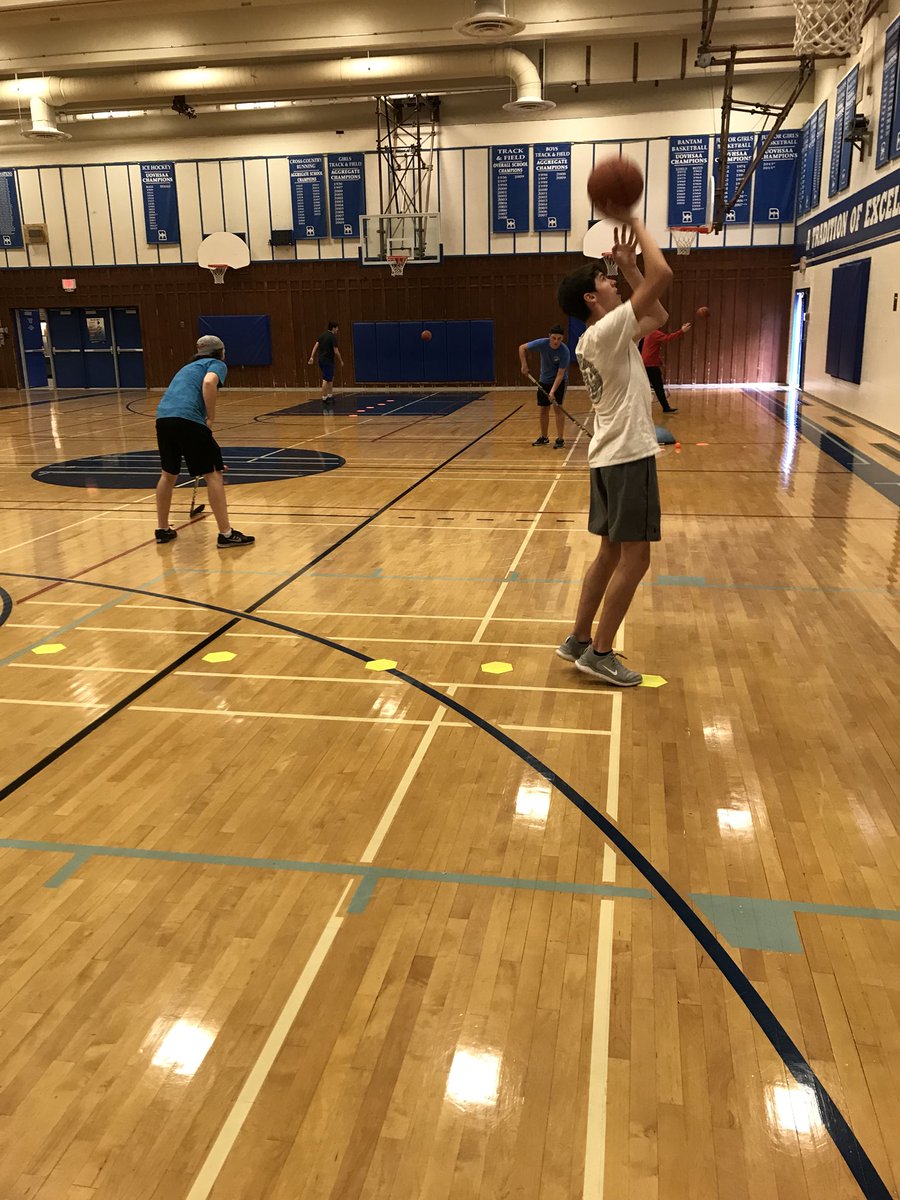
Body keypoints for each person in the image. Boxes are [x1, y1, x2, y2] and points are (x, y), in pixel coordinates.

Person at [554, 218, 672, 686]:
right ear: (591, 296)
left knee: (609, 554)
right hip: (626, 455)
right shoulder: (605, 332)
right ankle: (600, 653)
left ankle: (579, 639)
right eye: (606, 280)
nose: (613, 282)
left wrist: (628, 268)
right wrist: (636, 222)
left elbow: (658, 315)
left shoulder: (604, 335)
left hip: (607, 454)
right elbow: (664, 276)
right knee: (635, 559)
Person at [153, 334, 255, 548]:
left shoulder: (187, 368)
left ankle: (162, 529)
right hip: (189, 419)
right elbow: (209, 383)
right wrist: (210, 418)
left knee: (168, 474)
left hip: (163, 418)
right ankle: (226, 534)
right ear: (220, 352)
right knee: (213, 473)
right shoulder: (216, 364)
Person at [518, 323, 571, 449]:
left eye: (559, 338)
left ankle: (560, 439)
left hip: (559, 382)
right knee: (543, 409)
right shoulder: (542, 343)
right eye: (553, 338)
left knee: (558, 408)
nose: (556, 341)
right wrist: (524, 365)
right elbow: (522, 348)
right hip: (544, 380)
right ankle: (544, 437)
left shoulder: (564, 351)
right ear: (549, 336)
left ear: (562, 338)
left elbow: (560, 374)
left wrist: (552, 392)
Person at [640, 320, 692, 413]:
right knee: (658, 387)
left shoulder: (648, 333)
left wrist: (658, 361)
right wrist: (682, 331)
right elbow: (668, 338)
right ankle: (665, 408)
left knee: (647, 387)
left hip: (645, 364)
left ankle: (643, 408)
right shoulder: (655, 333)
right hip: (651, 365)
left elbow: (649, 350)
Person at [308, 321, 344, 405]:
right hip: (327, 361)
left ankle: (330, 396)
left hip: (321, 360)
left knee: (330, 378)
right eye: (337, 328)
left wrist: (312, 356)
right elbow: (336, 351)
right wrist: (341, 360)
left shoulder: (321, 336)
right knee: (326, 379)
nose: (337, 329)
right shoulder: (332, 337)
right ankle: (324, 398)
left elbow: (315, 347)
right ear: (333, 328)